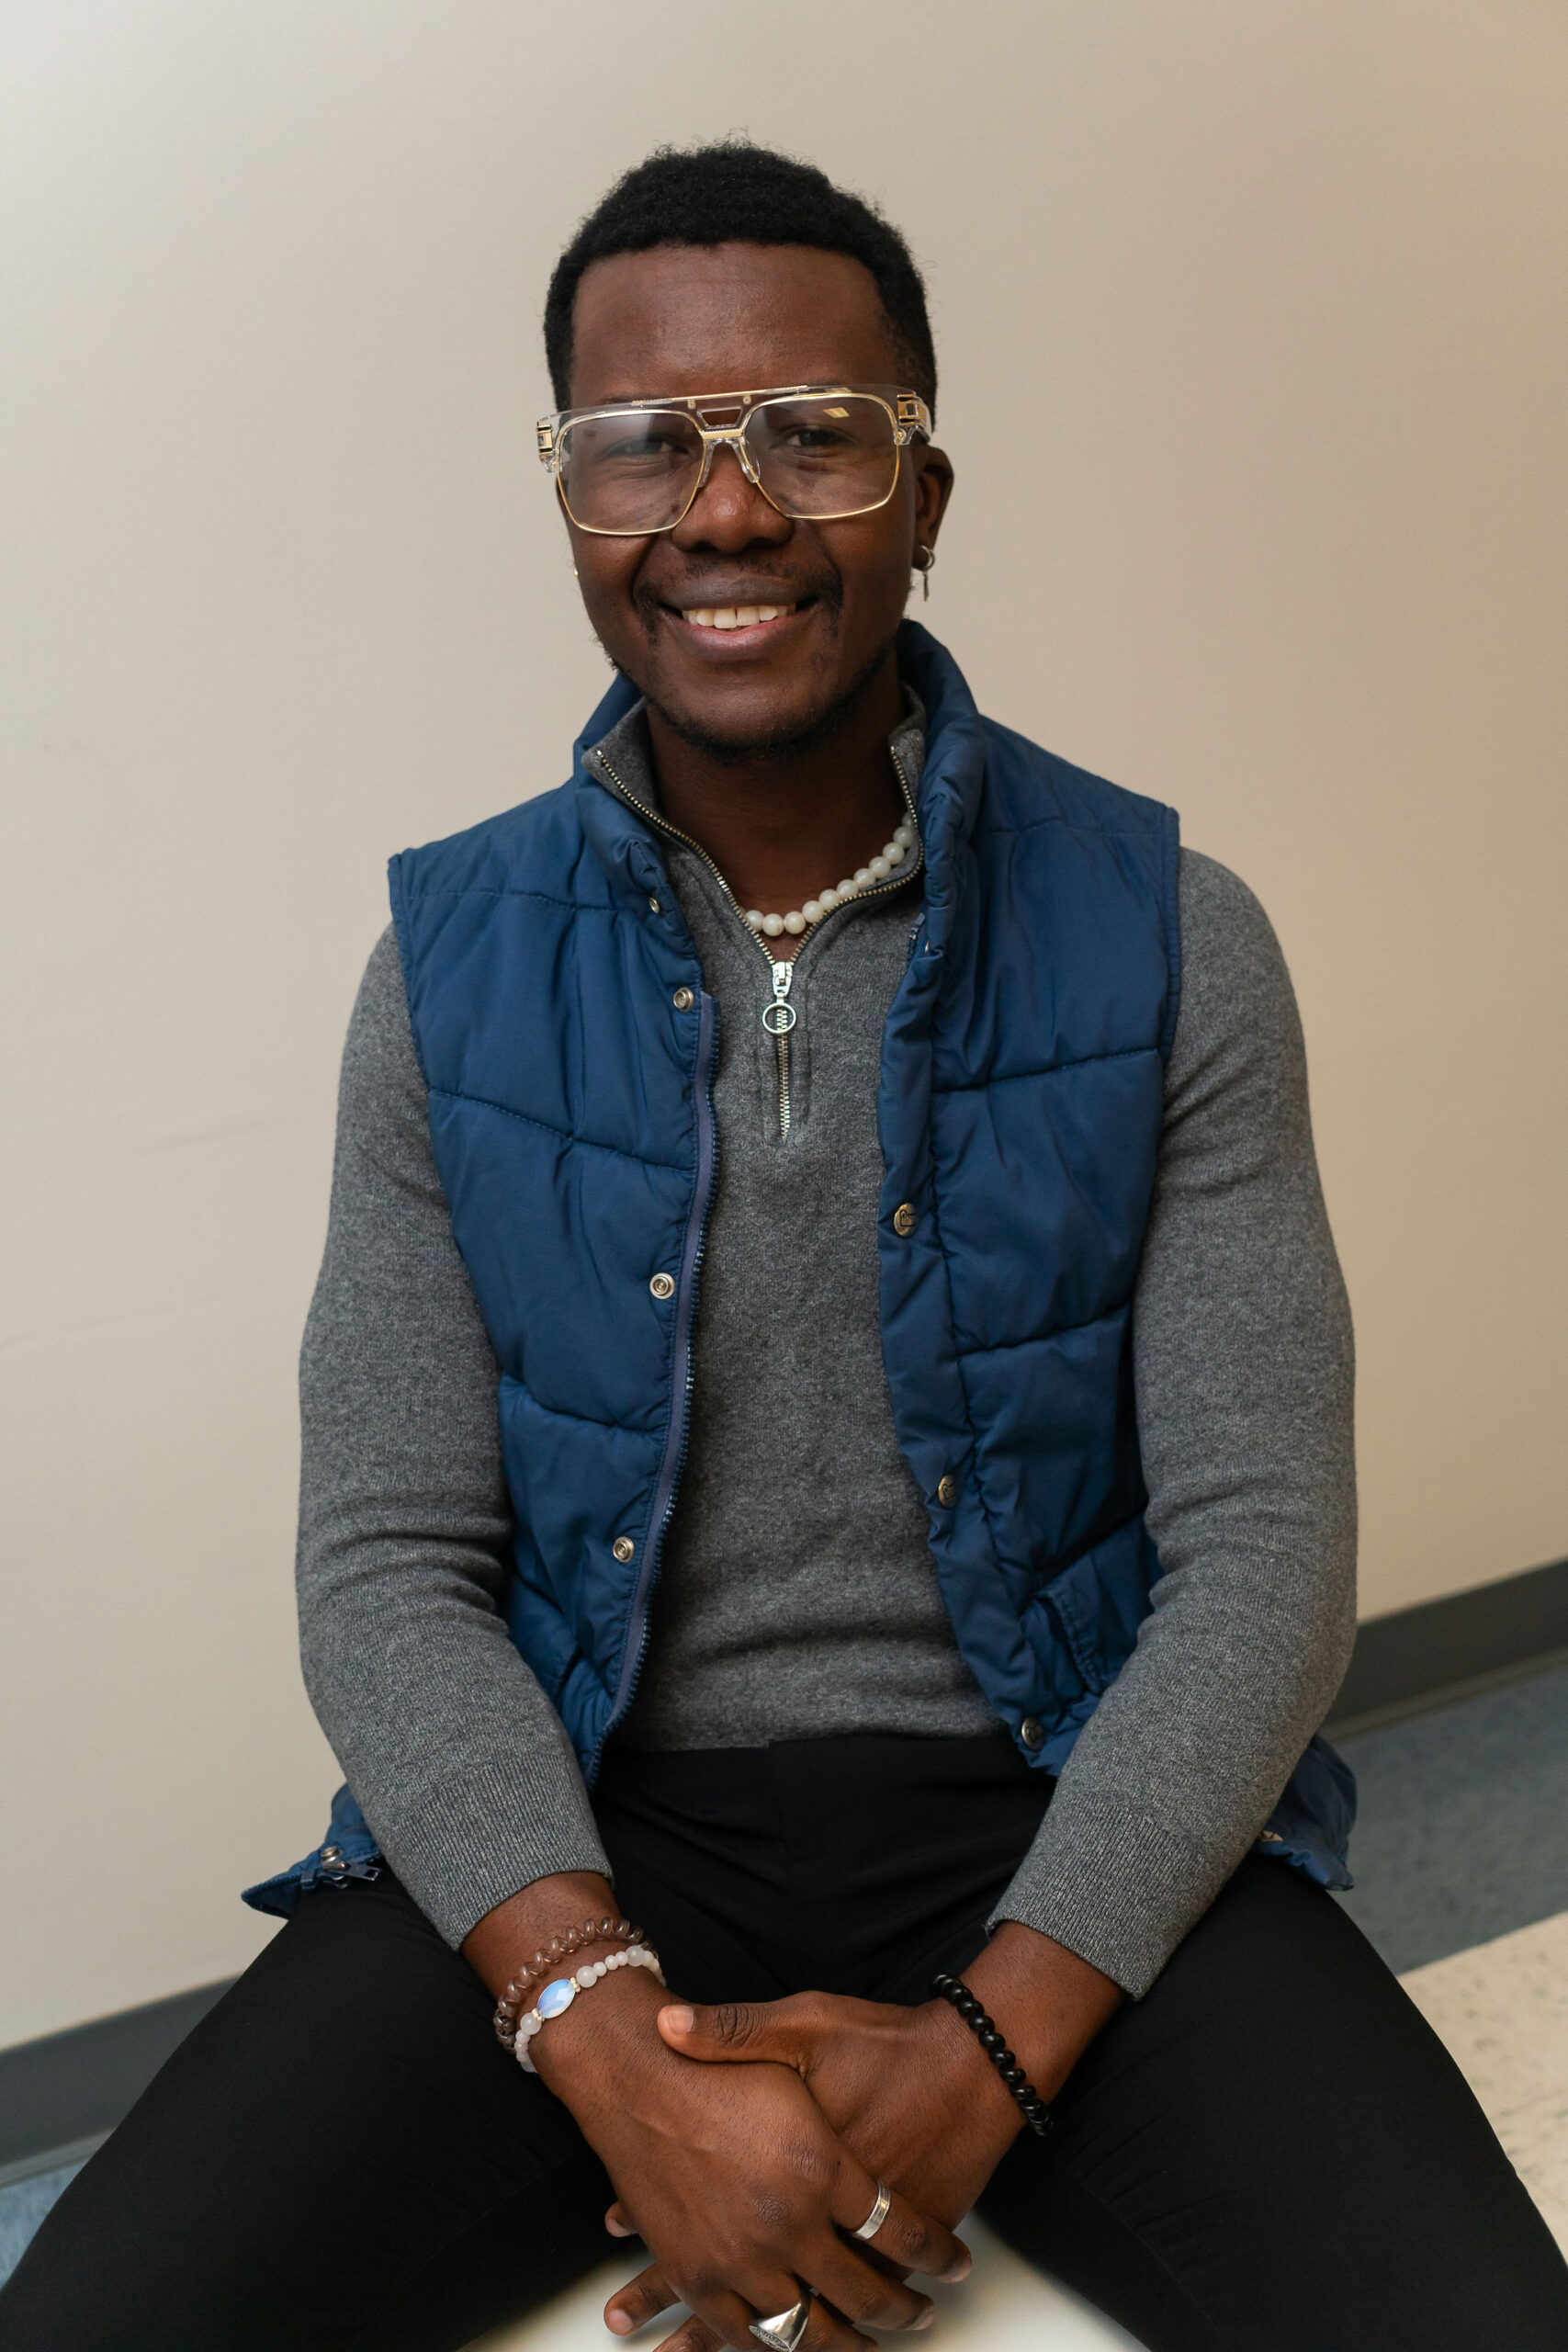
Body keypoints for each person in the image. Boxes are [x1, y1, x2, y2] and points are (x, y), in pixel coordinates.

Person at [6, 141, 1565, 2352]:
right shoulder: (442, 972)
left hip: (1050, 1798)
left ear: (924, 493)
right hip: (593, 1793)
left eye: (812, 438)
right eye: (642, 445)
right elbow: (387, 1564)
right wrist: (600, 2031)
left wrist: (984, 2055)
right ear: (568, 499)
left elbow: (1259, 1553)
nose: (722, 515)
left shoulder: (1171, 939)